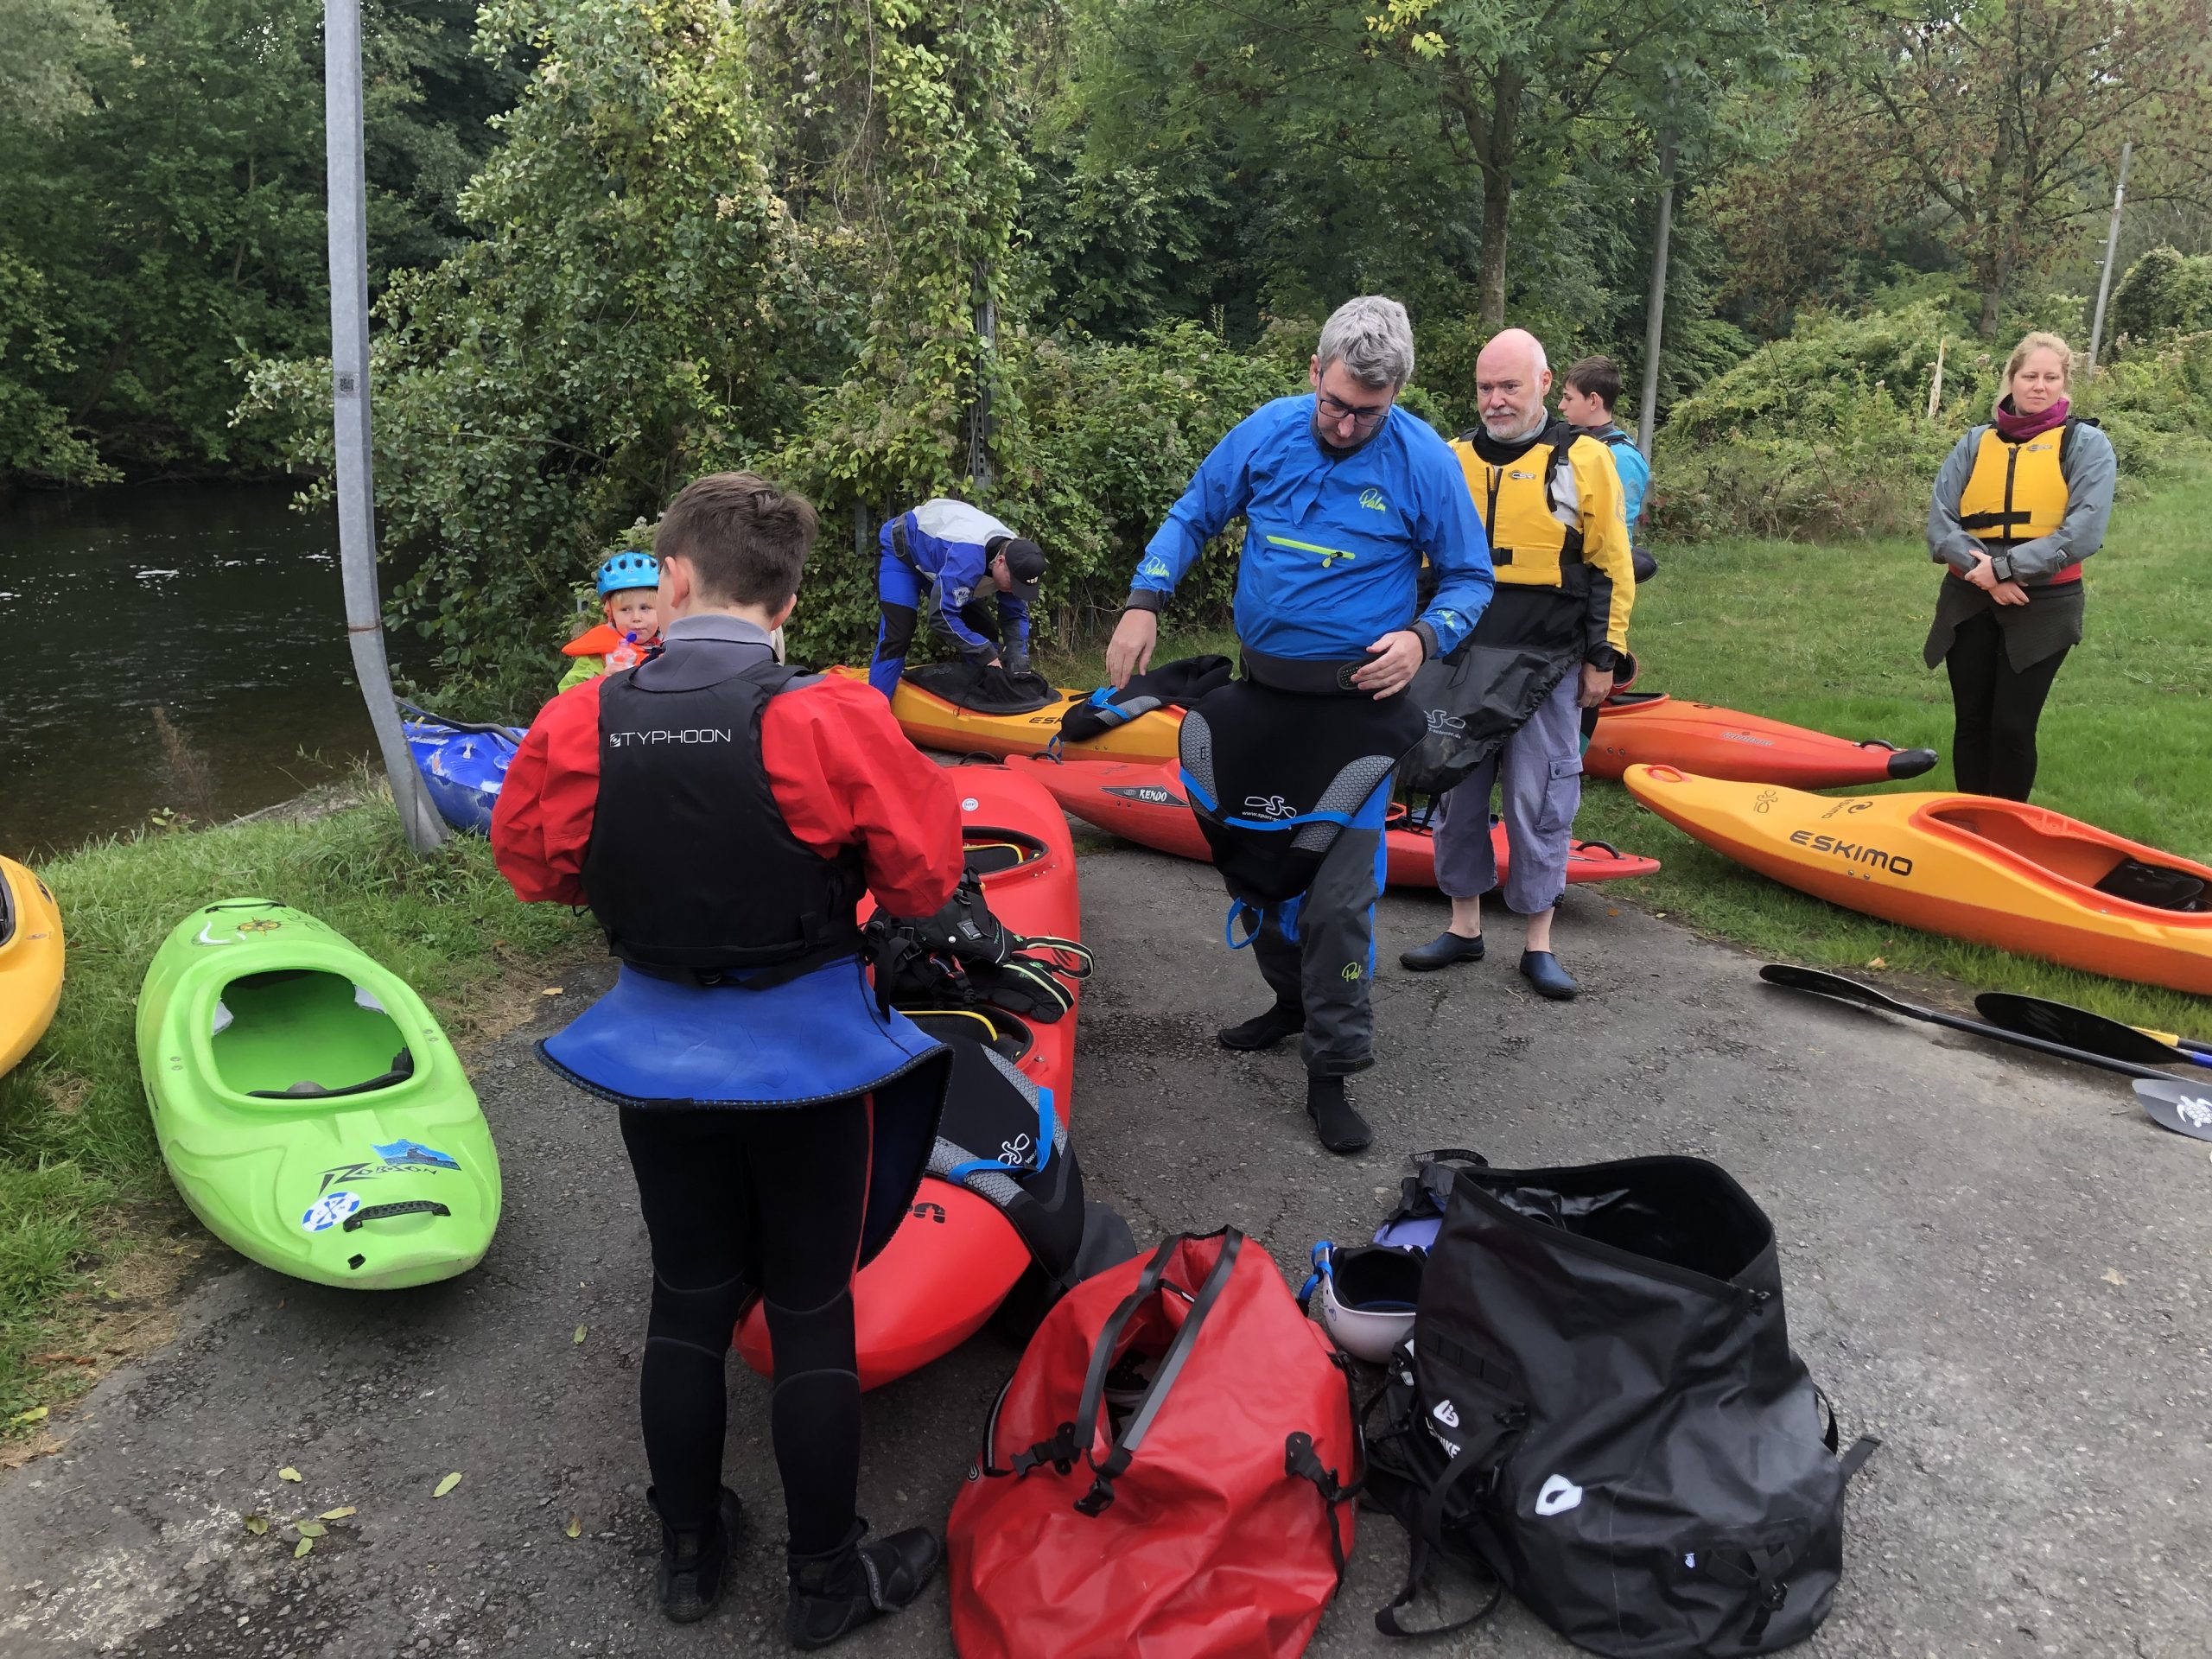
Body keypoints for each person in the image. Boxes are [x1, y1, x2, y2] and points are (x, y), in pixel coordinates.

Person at [491, 472, 959, 1649]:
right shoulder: (833, 714)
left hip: (656, 1049)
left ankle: (691, 1552)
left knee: (690, 1293)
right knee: (809, 1306)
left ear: (673, 579)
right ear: (787, 602)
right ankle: (823, 1579)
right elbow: (922, 883)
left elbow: (536, 871)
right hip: (810, 1058)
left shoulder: (580, 719)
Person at [1104, 295, 1494, 1154]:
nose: (1347, 426)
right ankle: (1290, 1002)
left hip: (1356, 718)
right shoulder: (1269, 432)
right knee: (1258, 874)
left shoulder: (1423, 460)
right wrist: (1144, 600)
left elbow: (1471, 578)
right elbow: (1194, 512)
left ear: (1395, 397)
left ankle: (1332, 1067)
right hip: (1265, 699)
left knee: (1338, 903)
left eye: (1368, 413)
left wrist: (1422, 636)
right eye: (1336, 403)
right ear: (1315, 371)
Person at [1400, 328, 1634, 1001]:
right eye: (1486, 387)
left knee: (1541, 799)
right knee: (1456, 795)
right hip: (1461, 660)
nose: (1496, 400)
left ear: (1543, 383)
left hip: (1548, 661)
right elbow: (1422, 562)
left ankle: (1538, 943)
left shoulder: (1583, 459)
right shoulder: (1451, 458)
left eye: (1510, 386)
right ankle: (1464, 927)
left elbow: (1610, 565)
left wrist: (1603, 656)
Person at [1924, 331, 2115, 801]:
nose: (2039, 386)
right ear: (2011, 379)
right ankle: (1971, 822)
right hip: (1969, 597)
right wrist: (1988, 575)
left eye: (2051, 377)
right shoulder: (1975, 442)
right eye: (2030, 376)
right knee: (1972, 720)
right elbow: (1941, 522)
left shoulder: (2086, 444)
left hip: (2042, 603)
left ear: (2064, 382)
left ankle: (2006, 828)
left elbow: (2083, 532)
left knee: (2012, 725)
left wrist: (2006, 569)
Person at [868, 499, 1047, 700]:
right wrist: (985, 654)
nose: (1015, 590)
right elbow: (941, 616)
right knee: (898, 635)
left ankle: (980, 699)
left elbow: (1015, 615)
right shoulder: (967, 558)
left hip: (943, 562)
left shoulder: (1019, 560)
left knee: (984, 630)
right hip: (903, 552)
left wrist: (1018, 659)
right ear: (1000, 561)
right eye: (1013, 583)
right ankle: (875, 706)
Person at [557, 550, 664, 691]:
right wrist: (603, 682)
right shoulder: (596, 659)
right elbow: (567, 694)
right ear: (610, 612)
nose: (636, 618)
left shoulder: (675, 647)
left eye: (645, 608)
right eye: (625, 610)